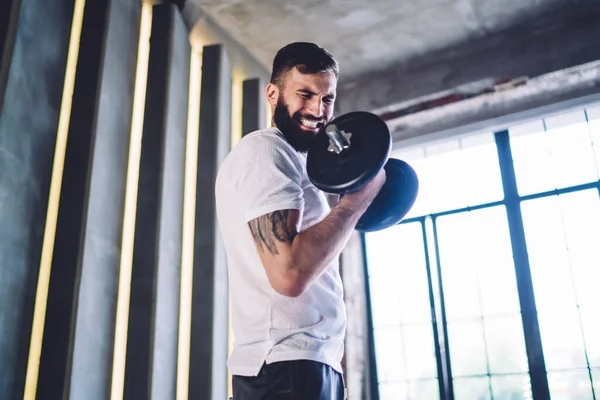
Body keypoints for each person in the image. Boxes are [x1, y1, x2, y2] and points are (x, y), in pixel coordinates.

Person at [215, 42, 386, 400]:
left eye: (327, 99)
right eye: (305, 94)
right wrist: (353, 204)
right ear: (273, 94)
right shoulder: (267, 150)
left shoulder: (296, 163)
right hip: (287, 365)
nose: (317, 110)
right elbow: (289, 274)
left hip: (297, 364)